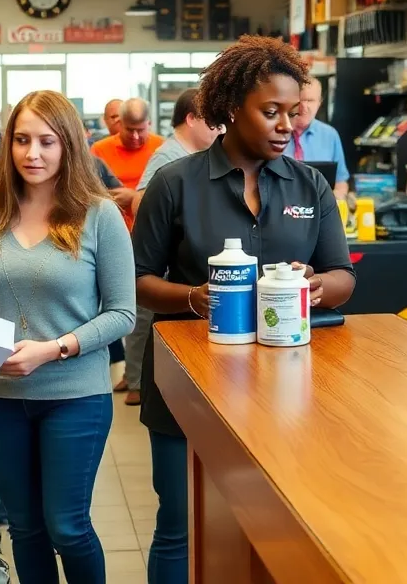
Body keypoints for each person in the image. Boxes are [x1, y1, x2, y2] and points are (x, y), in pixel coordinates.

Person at [132, 36, 356, 583]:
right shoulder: (175, 183)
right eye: (271, 111)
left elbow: (343, 276)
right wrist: (191, 297)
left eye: (294, 112)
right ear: (232, 108)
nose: (287, 125)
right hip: (189, 382)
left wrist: (315, 285)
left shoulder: (311, 185)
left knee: (270, 525)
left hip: (287, 387)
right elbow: (136, 281)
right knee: (180, 522)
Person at [0, 90, 135, 584]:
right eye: (22, 140)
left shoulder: (98, 215)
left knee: (67, 526)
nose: (33, 153)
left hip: (75, 396)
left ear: (68, 145)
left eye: (47, 141)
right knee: (23, 526)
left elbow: (123, 313)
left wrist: (54, 349)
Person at [119, 89, 220, 406]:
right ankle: (137, 382)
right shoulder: (169, 156)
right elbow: (140, 200)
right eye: (213, 123)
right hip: (157, 263)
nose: (220, 130)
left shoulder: (191, 156)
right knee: (143, 319)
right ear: (191, 119)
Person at [91, 98, 165, 225]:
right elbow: (87, 192)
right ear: (121, 124)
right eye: (130, 130)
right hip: (111, 226)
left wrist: (134, 197)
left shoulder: (162, 148)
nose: (135, 136)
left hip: (151, 227)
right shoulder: (100, 150)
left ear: (149, 124)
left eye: (140, 130)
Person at [291, 76, 350, 199]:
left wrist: (334, 199)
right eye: (300, 100)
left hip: (319, 210)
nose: (304, 107)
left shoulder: (330, 135)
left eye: (310, 101)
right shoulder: (273, 132)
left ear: (319, 103)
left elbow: (340, 183)